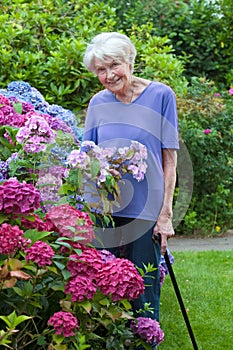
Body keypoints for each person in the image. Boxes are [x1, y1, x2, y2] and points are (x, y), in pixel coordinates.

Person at [82, 32, 179, 349]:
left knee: (143, 287)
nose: (108, 75)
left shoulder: (161, 96)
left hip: (145, 212)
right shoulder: (98, 103)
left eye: (114, 65)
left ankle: (145, 343)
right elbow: (88, 158)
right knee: (103, 288)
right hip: (105, 213)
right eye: (100, 69)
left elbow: (169, 159)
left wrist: (165, 215)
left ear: (130, 61)